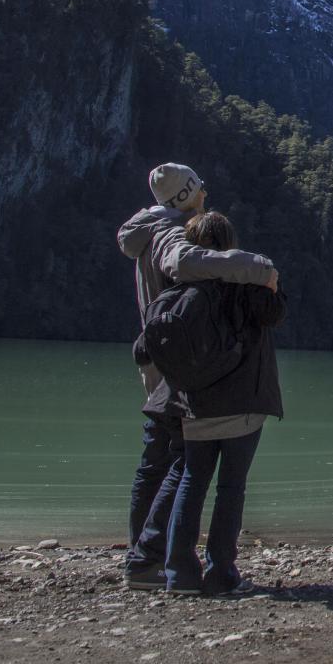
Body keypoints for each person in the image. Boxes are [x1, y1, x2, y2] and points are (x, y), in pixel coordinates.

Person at [117, 163, 277, 591]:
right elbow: (186, 262)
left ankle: (152, 560)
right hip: (183, 366)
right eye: (200, 188)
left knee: (163, 464)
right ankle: (150, 559)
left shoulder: (147, 229)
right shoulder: (172, 234)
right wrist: (259, 268)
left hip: (164, 357)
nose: (206, 192)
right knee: (179, 465)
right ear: (187, 195)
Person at [159, 211, 287, 597]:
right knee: (231, 488)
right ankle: (220, 572)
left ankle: (178, 573)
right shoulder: (251, 282)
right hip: (244, 405)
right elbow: (276, 313)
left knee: (191, 481)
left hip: (195, 404)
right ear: (231, 242)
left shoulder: (179, 289)